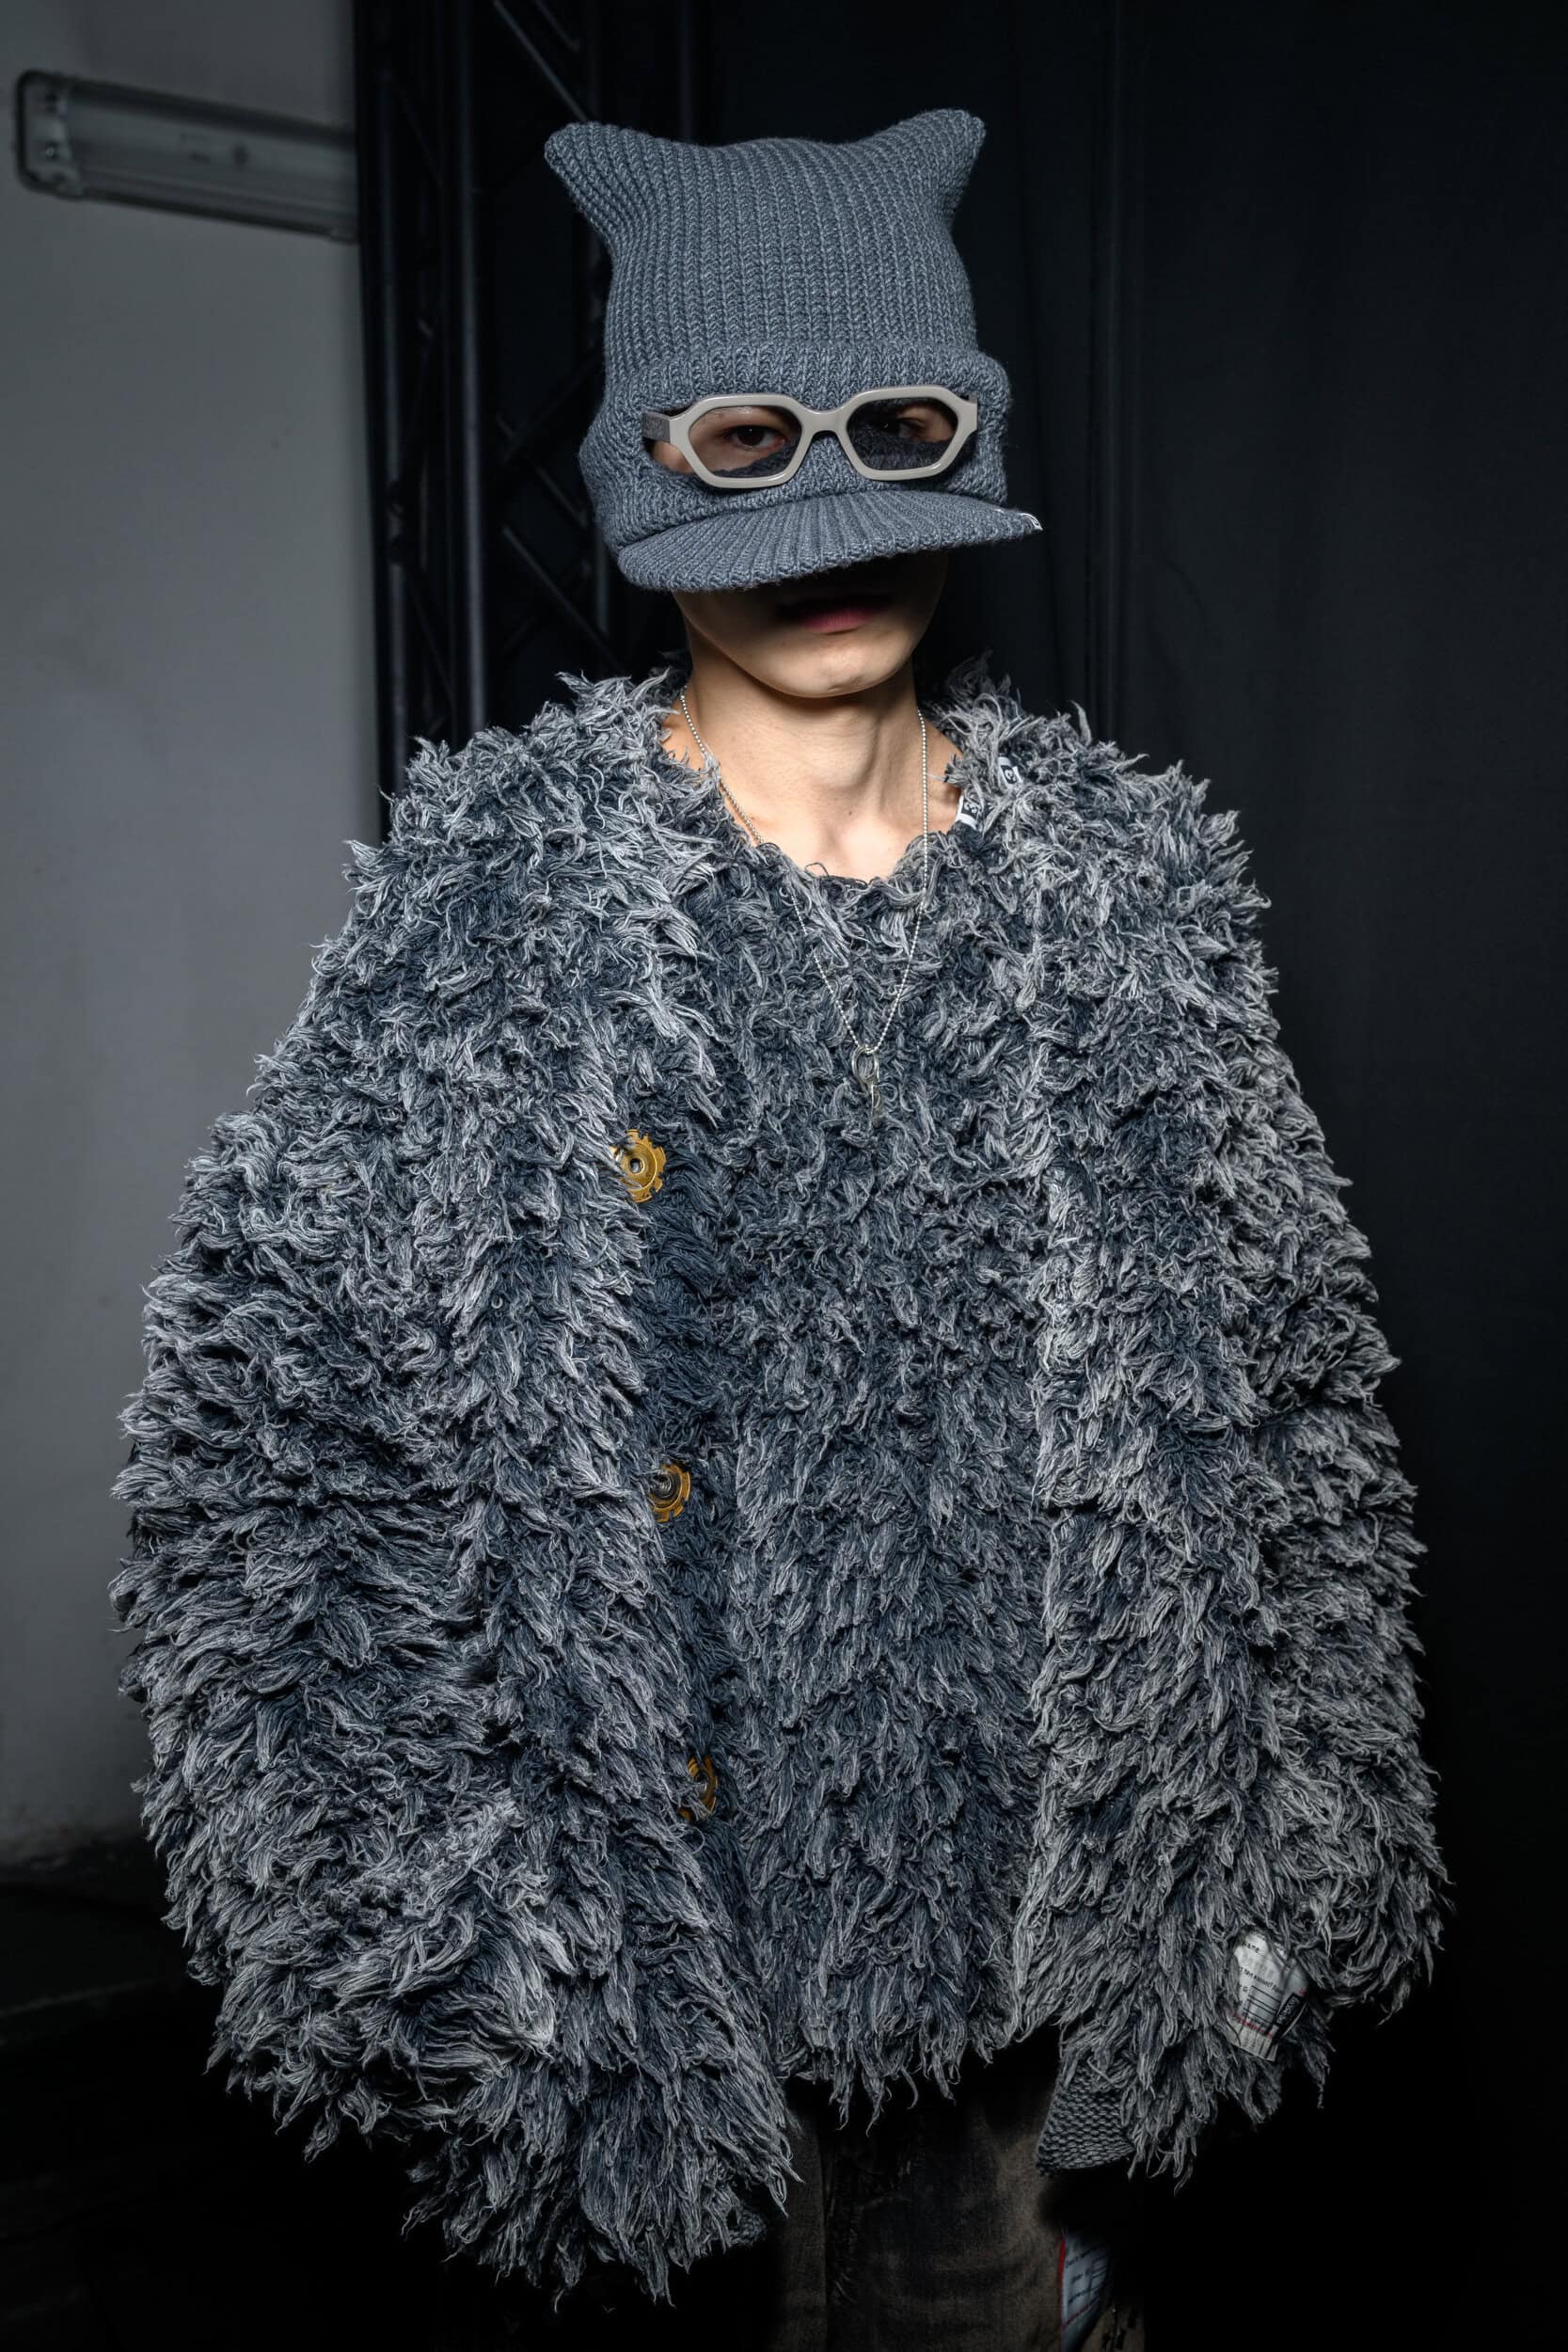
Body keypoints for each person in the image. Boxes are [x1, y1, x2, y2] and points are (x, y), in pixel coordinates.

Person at [108, 110, 1448, 2350]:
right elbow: (261, 1444)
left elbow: (1299, 1404)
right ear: (649, 472)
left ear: (965, 441)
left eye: (892, 436)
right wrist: (416, 1946)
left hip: (1031, 2034)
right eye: (747, 443)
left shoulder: (1129, 902)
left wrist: (1294, 1858)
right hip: (643, 2027)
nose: (829, 528)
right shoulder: (488, 916)